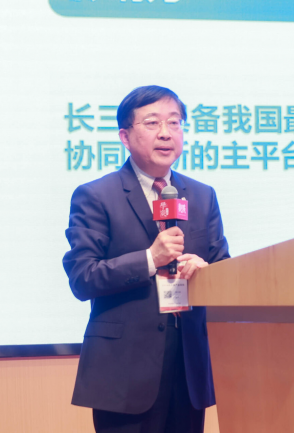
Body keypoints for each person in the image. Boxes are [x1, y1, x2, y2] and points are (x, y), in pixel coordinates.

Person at [62, 85, 229, 433]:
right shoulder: (96, 195)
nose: (166, 133)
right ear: (125, 136)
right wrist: (150, 258)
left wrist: (207, 273)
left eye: (174, 122)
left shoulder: (202, 196)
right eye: (152, 123)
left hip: (188, 369)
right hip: (124, 373)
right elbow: (82, 277)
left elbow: (225, 269)